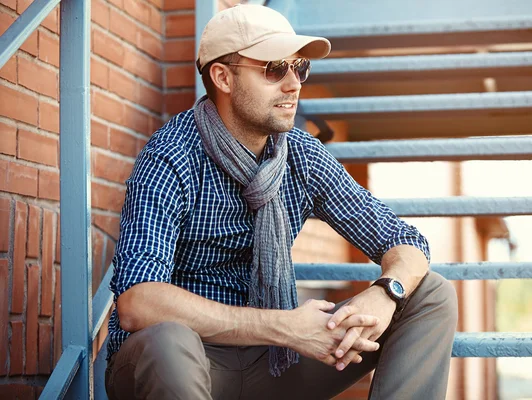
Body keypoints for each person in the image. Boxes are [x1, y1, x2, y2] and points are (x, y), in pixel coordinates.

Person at [104, 4, 458, 400]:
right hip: (186, 361)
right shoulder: (171, 156)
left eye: (300, 68)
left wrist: (385, 292)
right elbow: (138, 300)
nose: (293, 84)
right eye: (275, 68)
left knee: (429, 293)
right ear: (222, 77)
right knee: (167, 341)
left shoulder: (300, 156)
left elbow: (405, 241)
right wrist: (286, 327)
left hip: (270, 365)